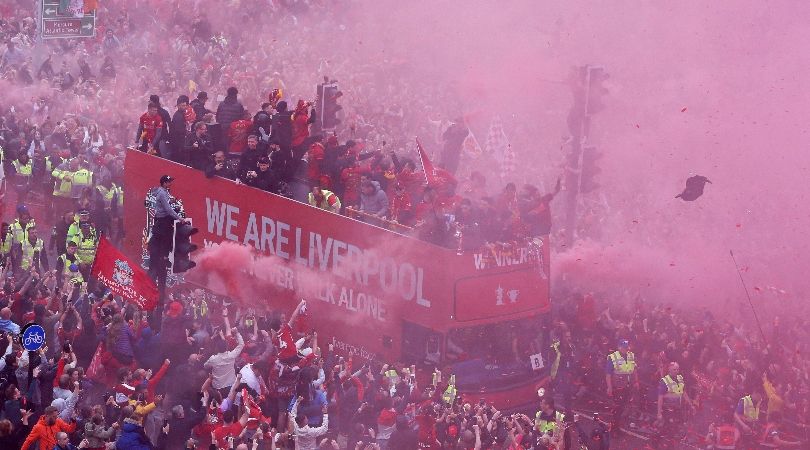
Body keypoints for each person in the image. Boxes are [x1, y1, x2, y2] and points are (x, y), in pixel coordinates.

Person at [656, 362, 696, 449]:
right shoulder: (664, 381)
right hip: (668, 409)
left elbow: (684, 393)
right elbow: (660, 398)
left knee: (673, 427)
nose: (676, 371)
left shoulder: (680, 378)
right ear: (669, 370)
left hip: (678, 408)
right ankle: (666, 444)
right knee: (671, 428)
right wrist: (659, 413)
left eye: (677, 369)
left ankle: (658, 439)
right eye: (674, 369)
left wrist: (691, 405)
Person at [604, 339, 639, 429]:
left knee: (625, 405)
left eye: (627, 347)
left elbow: (634, 370)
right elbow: (608, 373)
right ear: (619, 347)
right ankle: (615, 426)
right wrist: (609, 387)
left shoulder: (631, 355)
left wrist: (636, 381)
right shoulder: (612, 357)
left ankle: (619, 423)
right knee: (618, 406)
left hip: (629, 385)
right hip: (618, 385)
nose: (626, 349)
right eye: (624, 347)